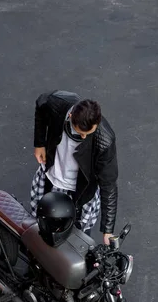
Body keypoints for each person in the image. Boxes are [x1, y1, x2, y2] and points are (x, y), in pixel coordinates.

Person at [30, 90, 118, 245]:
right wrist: (39, 143)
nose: (84, 137)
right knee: (41, 227)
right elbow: (41, 103)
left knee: (78, 240)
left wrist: (108, 230)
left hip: (81, 193)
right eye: (80, 132)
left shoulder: (105, 140)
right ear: (70, 117)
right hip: (51, 179)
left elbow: (108, 184)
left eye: (89, 133)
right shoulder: (59, 104)